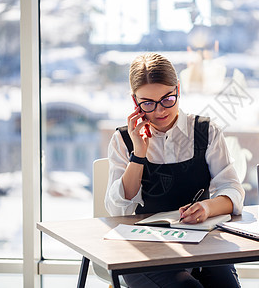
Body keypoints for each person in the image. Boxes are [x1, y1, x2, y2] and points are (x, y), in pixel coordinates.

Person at [105, 52, 245, 288]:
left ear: (178, 89)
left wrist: (207, 207)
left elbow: (232, 190)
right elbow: (118, 207)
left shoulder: (206, 131)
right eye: (147, 103)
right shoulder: (123, 140)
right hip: (142, 249)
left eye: (167, 99)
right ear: (134, 102)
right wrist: (138, 153)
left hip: (202, 242)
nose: (159, 110)